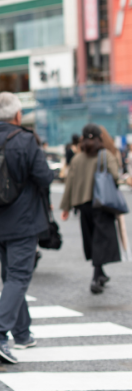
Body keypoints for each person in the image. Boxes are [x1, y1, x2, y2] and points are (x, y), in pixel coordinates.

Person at [0, 92, 53, 364]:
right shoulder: (25, 140)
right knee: (18, 277)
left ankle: (22, 333)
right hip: (24, 220)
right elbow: (45, 177)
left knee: (12, 276)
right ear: (18, 115)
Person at [60, 124, 121, 294]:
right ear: (100, 137)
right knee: (101, 240)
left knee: (92, 238)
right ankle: (95, 277)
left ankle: (100, 273)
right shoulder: (105, 155)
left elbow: (70, 183)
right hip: (102, 204)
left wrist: (66, 207)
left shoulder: (77, 158)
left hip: (83, 206)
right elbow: (115, 176)